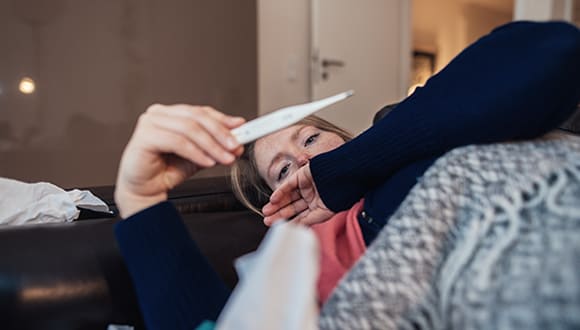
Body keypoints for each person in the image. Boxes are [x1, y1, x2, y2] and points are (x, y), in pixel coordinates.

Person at [114, 21, 580, 330]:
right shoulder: (302, 262)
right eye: (285, 169)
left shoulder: (404, 130)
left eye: (312, 139)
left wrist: (350, 168)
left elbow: (556, 51)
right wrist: (140, 198)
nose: (306, 162)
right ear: (274, 205)